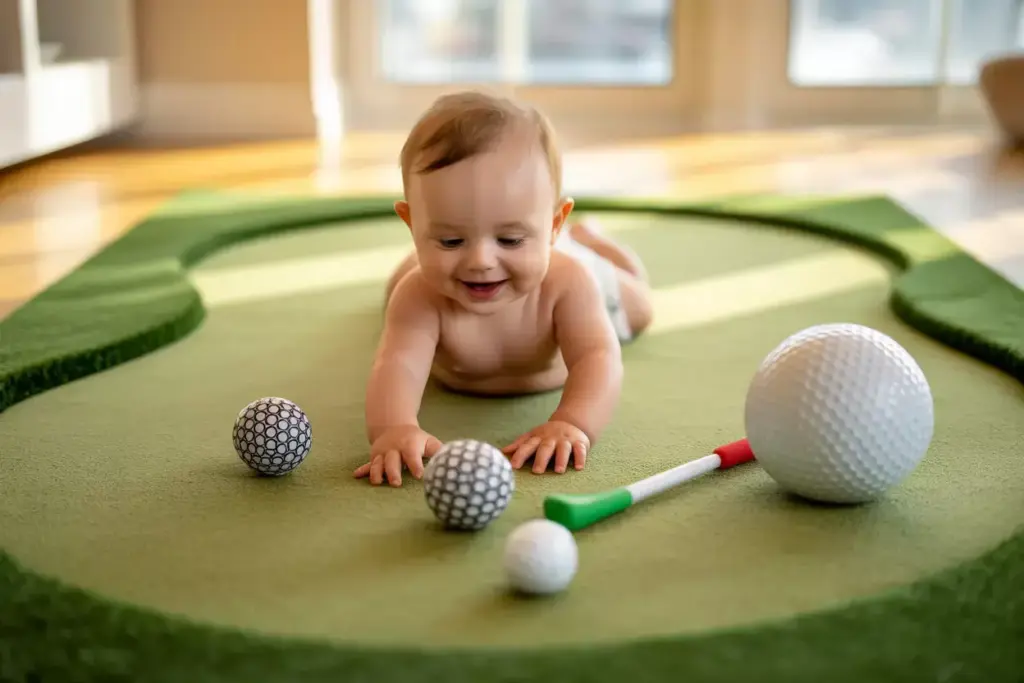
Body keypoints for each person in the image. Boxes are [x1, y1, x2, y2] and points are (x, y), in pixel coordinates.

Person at [354, 90, 653, 487]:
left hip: (579, 271)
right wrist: (393, 428)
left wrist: (573, 422)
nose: (480, 261)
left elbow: (598, 356)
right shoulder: (420, 296)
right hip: (491, 259)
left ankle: (592, 240)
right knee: (401, 284)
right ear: (411, 224)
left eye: (509, 240)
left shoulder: (570, 283)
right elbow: (397, 364)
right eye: (450, 240)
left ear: (552, 223)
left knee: (641, 307)